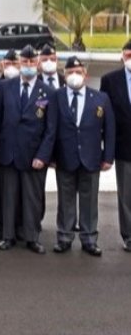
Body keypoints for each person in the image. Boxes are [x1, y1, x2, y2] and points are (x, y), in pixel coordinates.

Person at [0, 47, 57, 253]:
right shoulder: (5, 87)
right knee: (9, 197)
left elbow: (50, 129)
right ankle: (8, 236)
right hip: (9, 151)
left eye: (32, 62)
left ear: (37, 64)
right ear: (19, 63)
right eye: (25, 62)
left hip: (33, 155)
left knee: (32, 198)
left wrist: (43, 155)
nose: (28, 66)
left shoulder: (48, 91)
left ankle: (32, 237)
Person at [53, 56, 114, 256]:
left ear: (85, 75)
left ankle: (89, 239)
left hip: (91, 157)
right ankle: (64, 237)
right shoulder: (57, 96)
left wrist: (108, 157)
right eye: (70, 72)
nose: (74, 76)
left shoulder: (100, 98)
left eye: (78, 72)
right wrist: (51, 156)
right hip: (65, 157)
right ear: (64, 74)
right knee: (66, 200)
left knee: (89, 201)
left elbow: (109, 130)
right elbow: (51, 129)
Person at [98, 39, 131, 252]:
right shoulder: (110, 80)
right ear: (122, 56)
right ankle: (128, 235)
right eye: (128, 56)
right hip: (124, 147)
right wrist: (107, 150)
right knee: (126, 195)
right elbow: (106, 119)